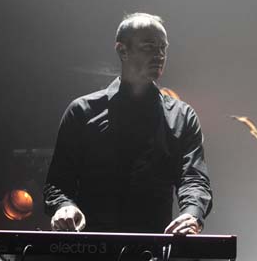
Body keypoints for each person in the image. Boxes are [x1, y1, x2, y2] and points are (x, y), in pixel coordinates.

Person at [44, 13, 212, 234]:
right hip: (90, 246)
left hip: (154, 246)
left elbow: (194, 178)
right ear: (122, 50)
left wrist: (191, 213)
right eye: (149, 47)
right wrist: (64, 207)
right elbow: (57, 183)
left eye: (163, 48)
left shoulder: (182, 116)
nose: (159, 55)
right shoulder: (82, 111)